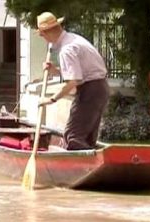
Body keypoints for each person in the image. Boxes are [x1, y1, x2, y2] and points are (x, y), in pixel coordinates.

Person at [36, 12, 110, 150]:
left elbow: (73, 81)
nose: (42, 37)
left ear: (47, 32)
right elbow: (77, 73)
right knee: (86, 137)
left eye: (42, 34)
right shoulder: (73, 39)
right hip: (99, 88)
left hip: (91, 91)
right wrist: (55, 70)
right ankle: (91, 162)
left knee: (73, 136)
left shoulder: (66, 49)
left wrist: (51, 99)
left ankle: (80, 167)